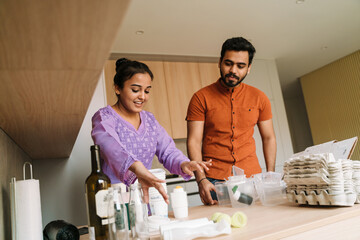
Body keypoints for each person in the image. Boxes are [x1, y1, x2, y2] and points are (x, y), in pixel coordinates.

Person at [92, 58, 211, 204]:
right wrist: (137, 167)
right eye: (135, 90)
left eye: (147, 91)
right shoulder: (104, 117)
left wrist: (183, 164)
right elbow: (110, 147)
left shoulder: (149, 120)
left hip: (143, 195)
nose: (142, 96)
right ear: (118, 88)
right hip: (114, 199)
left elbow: (168, 151)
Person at [186, 37, 276, 205]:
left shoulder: (260, 98)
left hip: (251, 179)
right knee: (224, 223)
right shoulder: (200, 98)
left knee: (256, 221)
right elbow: (193, 140)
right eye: (228, 63)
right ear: (220, 62)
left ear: (248, 68)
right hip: (214, 181)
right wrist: (201, 180)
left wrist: (270, 174)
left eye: (240, 66)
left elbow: (269, 137)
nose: (233, 70)